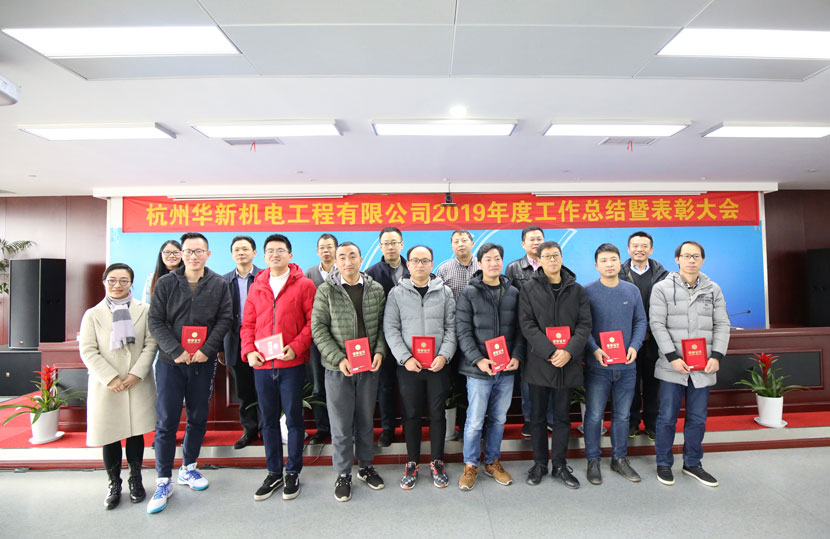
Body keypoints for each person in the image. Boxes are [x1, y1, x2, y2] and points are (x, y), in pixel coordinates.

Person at [147, 232, 233, 514]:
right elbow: (155, 321)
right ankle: (163, 480)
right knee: (167, 421)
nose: (193, 256)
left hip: (202, 362)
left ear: (208, 254)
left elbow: (225, 319)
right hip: (171, 363)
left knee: (197, 416)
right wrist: (175, 350)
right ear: (182, 254)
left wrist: (207, 350)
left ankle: (189, 468)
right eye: (188, 251)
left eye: (199, 251)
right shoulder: (166, 283)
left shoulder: (219, 283)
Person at [241, 234, 317, 502]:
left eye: (280, 250)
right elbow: (248, 324)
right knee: (269, 421)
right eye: (270, 251)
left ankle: (293, 472)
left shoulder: (304, 284)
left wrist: (296, 347)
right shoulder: (257, 286)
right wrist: (249, 351)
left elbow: (312, 322)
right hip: (262, 365)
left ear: (290, 255)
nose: (275, 255)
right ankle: (273, 472)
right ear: (264, 257)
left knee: (294, 420)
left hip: (291, 364)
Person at [311, 241, 387, 502]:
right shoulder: (326, 290)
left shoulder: (375, 289)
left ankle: (365, 467)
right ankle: (343, 474)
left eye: (352, 256)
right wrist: (338, 358)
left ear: (361, 259)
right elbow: (318, 329)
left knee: (365, 420)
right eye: (341, 257)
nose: (347, 261)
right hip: (338, 369)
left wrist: (379, 352)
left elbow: (383, 326)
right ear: (336, 261)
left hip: (368, 366)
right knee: (341, 424)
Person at [650, 240, 729, 488]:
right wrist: (672, 357)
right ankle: (664, 463)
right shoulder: (662, 288)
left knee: (697, 418)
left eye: (696, 256)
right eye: (686, 256)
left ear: (702, 260)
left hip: (703, 367)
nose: (691, 260)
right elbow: (657, 324)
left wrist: (717, 355)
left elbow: (722, 324)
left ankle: (692, 463)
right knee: (666, 418)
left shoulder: (713, 289)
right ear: (677, 259)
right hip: (672, 366)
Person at [79, 263, 158, 510]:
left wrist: (136, 373)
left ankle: (136, 479)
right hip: (107, 385)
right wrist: (110, 377)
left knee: (136, 433)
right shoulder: (92, 314)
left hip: (136, 382)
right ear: (104, 282)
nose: (117, 285)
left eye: (124, 281)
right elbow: (88, 350)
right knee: (110, 435)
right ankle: (114, 483)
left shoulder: (144, 310)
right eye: (112, 280)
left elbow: (151, 343)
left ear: (131, 283)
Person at [518, 240, 591, 489]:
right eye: (547, 256)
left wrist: (568, 352)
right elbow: (527, 324)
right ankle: (539, 464)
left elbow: (584, 325)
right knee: (537, 417)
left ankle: (560, 464)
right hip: (539, 362)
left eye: (556, 255)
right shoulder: (528, 288)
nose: (552, 260)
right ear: (538, 260)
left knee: (562, 417)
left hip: (567, 363)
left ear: (561, 257)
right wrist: (550, 351)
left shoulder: (576, 289)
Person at [383, 245, 456, 490]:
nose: (420, 265)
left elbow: (451, 328)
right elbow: (391, 329)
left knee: (437, 414)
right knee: (411, 415)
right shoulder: (396, 293)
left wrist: (444, 355)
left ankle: (437, 461)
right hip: (409, 367)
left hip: (437, 366)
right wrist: (405, 358)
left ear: (432, 263)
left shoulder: (444, 292)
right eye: (415, 260)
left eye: (425, 260)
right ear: (408, 264)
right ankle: (412, 462)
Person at [455, 243, 524, 491]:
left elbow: (520, 329)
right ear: (480, 263)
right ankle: (470, 465)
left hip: (506, 370)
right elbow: (462, 331)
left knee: (498, 418)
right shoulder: (469, 292)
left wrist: (516, 356)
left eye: (497, 258)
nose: (493, 263)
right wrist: (478, 360)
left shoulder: (514, 292)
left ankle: (492, 462)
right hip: (479, 371)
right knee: (474, 420)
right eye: (488, 259)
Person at [583, 243, 647, 486]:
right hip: (598, 367)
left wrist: (635, 346)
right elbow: (583, 326)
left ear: (620, 262)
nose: (609, 264)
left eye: (613, 259)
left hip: (627, 366)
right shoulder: (587, 292)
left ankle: (619, 458)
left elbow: (640, 321)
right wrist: (594, 349)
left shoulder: (632, 291)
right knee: (594, 415)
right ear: (596, 265)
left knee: (622, 416)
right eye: (604, 260)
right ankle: (593, 460)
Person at [619, 231, 668, 440]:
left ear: (651, 249)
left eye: (644, 246)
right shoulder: (618, 274)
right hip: (628, 340)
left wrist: (650, 329)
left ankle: (652, 423)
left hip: (655, 339)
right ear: (628, 249)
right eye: (635, 246)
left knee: (653, 384)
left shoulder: (664, 276)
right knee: (629, 383)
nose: (639, 249)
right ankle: (631, 423)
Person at [505, 226, 553, 436]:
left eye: (539, 238)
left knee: (552, 374)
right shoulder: (513, 268)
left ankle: (551, 418)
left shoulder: (553, 264)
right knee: (527, 379)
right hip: (525, 331)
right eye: (531, 239)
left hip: (551, 331)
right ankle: (531, 420)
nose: (536, 242)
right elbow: (509, 298)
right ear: (523, 244)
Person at [366, 226, 408, 447]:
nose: (390, 247)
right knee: (385, 386)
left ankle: (410, 425)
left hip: (411, 340)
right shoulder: (371, 274)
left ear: (402, 244)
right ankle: (388, 428)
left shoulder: (414, 268)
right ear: (380, 247)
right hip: (383, 340)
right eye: (386, 243)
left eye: (394, 242)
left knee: (410, 385)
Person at [435, 229, 479, 441]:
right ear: (452, 246)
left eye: (464, 240)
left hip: (480, 335)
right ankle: (461, 427)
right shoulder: (444, 269)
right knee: (457, 382)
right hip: (453, 334)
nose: (460, 244)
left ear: (472, 243)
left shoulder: (483, 266)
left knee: (479, 382)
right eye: (456, 241)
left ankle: (479, 427)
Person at [221, 235, 262, 450]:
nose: (241, 253)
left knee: (264, 386)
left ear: (254, 252)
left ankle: (268, 428)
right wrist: (220, 348)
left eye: (245, 249)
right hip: (234, 341)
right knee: (244, 390)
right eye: (237, 249)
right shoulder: (223, 281)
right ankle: (249, 430)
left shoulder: (265, 277)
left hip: (262, 340)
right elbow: (218, 316)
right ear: (231, 254)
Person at [304, 233, 338, 445]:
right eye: (322, 247)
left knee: (342, 385)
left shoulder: (345, 271)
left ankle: (341, 428)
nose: (326, 251)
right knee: (318, 386)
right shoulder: (309, 275)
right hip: (317, 340)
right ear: (317, 251)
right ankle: (322, 428)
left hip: (341, 340)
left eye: (330, 247)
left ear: (336, 249)